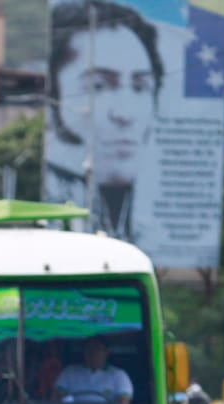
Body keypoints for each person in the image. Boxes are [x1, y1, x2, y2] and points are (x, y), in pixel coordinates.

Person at [45, 0, 163, 240]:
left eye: (140, 87)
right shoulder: (51, 224)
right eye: (98, 86)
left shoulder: (155, 227)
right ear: (54, 95)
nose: (125, 114)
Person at [54, 336, 133, 404]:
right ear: (83, 352)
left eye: (97, 349)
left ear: (106, 352)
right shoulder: (69, 372)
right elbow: (56, 397)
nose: (93, 352)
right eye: (89, 348)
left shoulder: (119, 375)